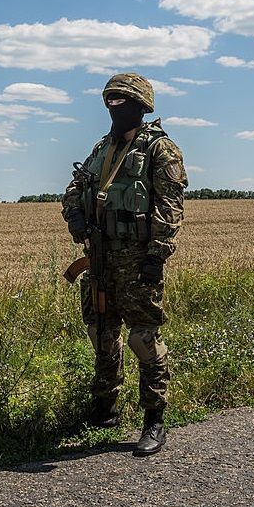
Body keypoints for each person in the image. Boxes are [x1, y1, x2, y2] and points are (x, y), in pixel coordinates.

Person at [62, 72, 188, 456]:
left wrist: (156, 256)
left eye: (122, 99)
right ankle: (105, 407)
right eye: (110, 100)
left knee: (143, 339)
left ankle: (154, 420)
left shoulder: (160, 150)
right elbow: (73, 190)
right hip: (100, 258)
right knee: (102, 333)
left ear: (140, 105)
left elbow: (170, 205)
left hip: (137, 261)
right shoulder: (102, 148)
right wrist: (75, 217)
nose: (114, 105)